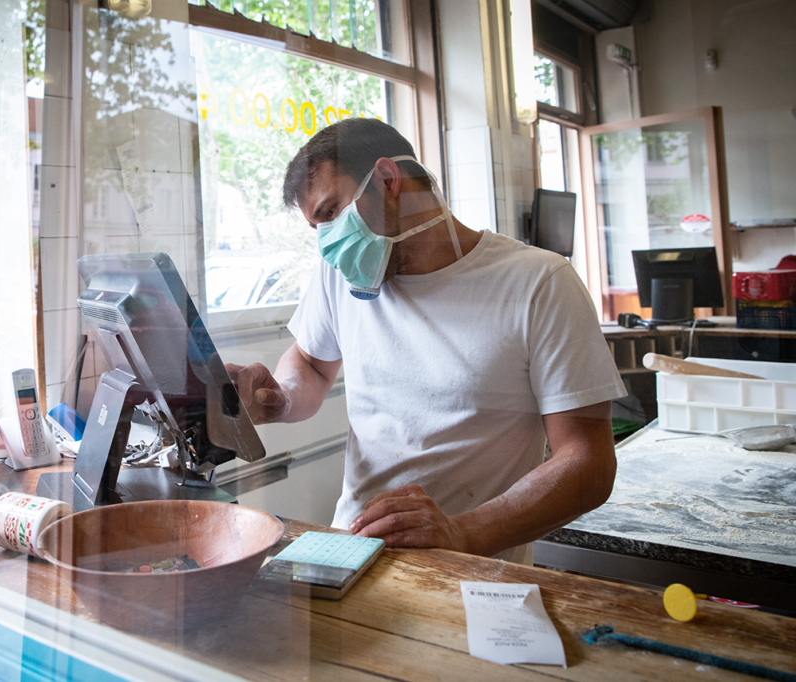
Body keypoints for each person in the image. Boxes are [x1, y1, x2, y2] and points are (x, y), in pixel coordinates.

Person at [227, 118, 626, 563]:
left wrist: (462, 532)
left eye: (331, 213)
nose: (327, 244)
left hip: (474, 570)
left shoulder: (539, 284)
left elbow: (588, 462)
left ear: (387, 179)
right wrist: (280, 398)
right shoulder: (339, 277)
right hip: (352, 554)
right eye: (317, 228)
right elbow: (311, 363)